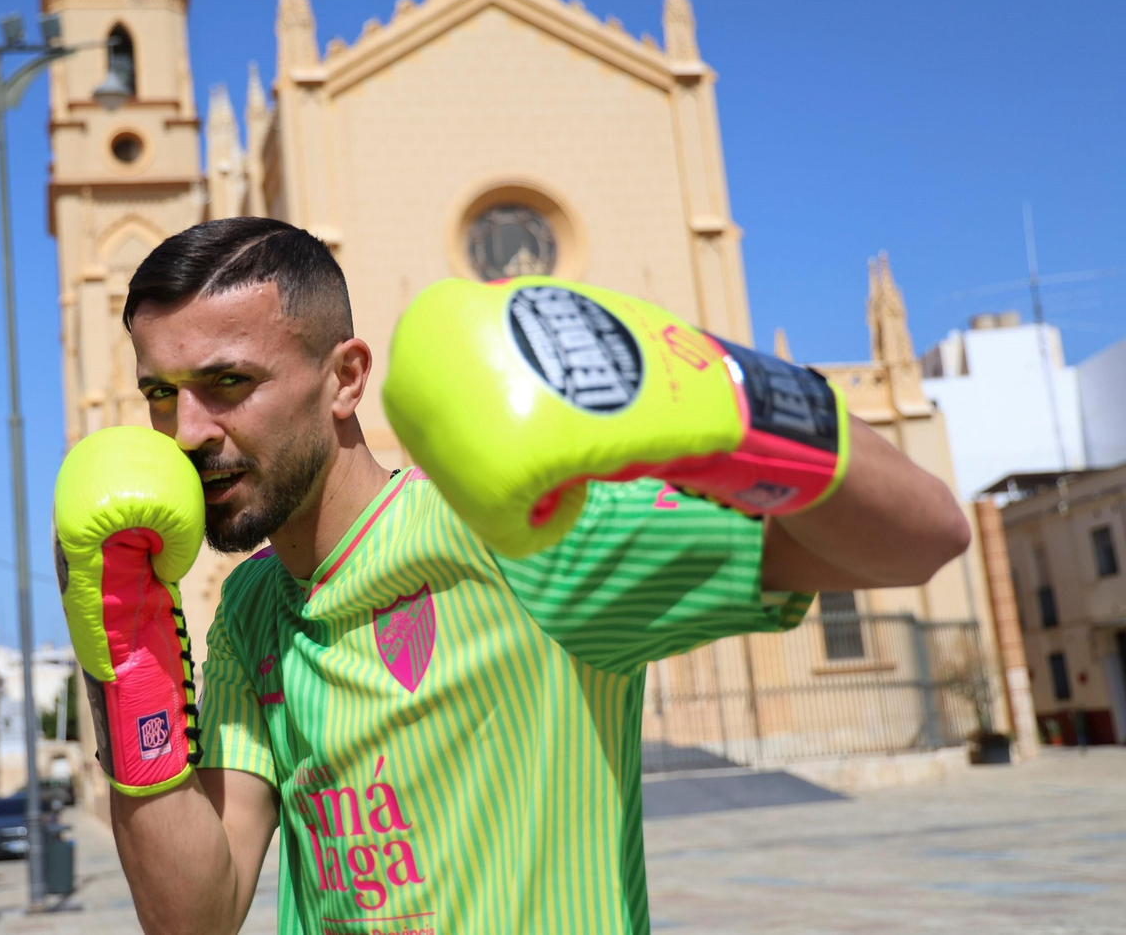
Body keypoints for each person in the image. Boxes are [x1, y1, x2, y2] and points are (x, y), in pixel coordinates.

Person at [52, 217, 971, 935]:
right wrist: (123, 654)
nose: (187, 433)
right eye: (161, 393)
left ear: (345, 379)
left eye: (227, 384)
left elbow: (924, 538)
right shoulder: (252, 606)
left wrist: (728, 393)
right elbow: (196, 916)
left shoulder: (512, 534)